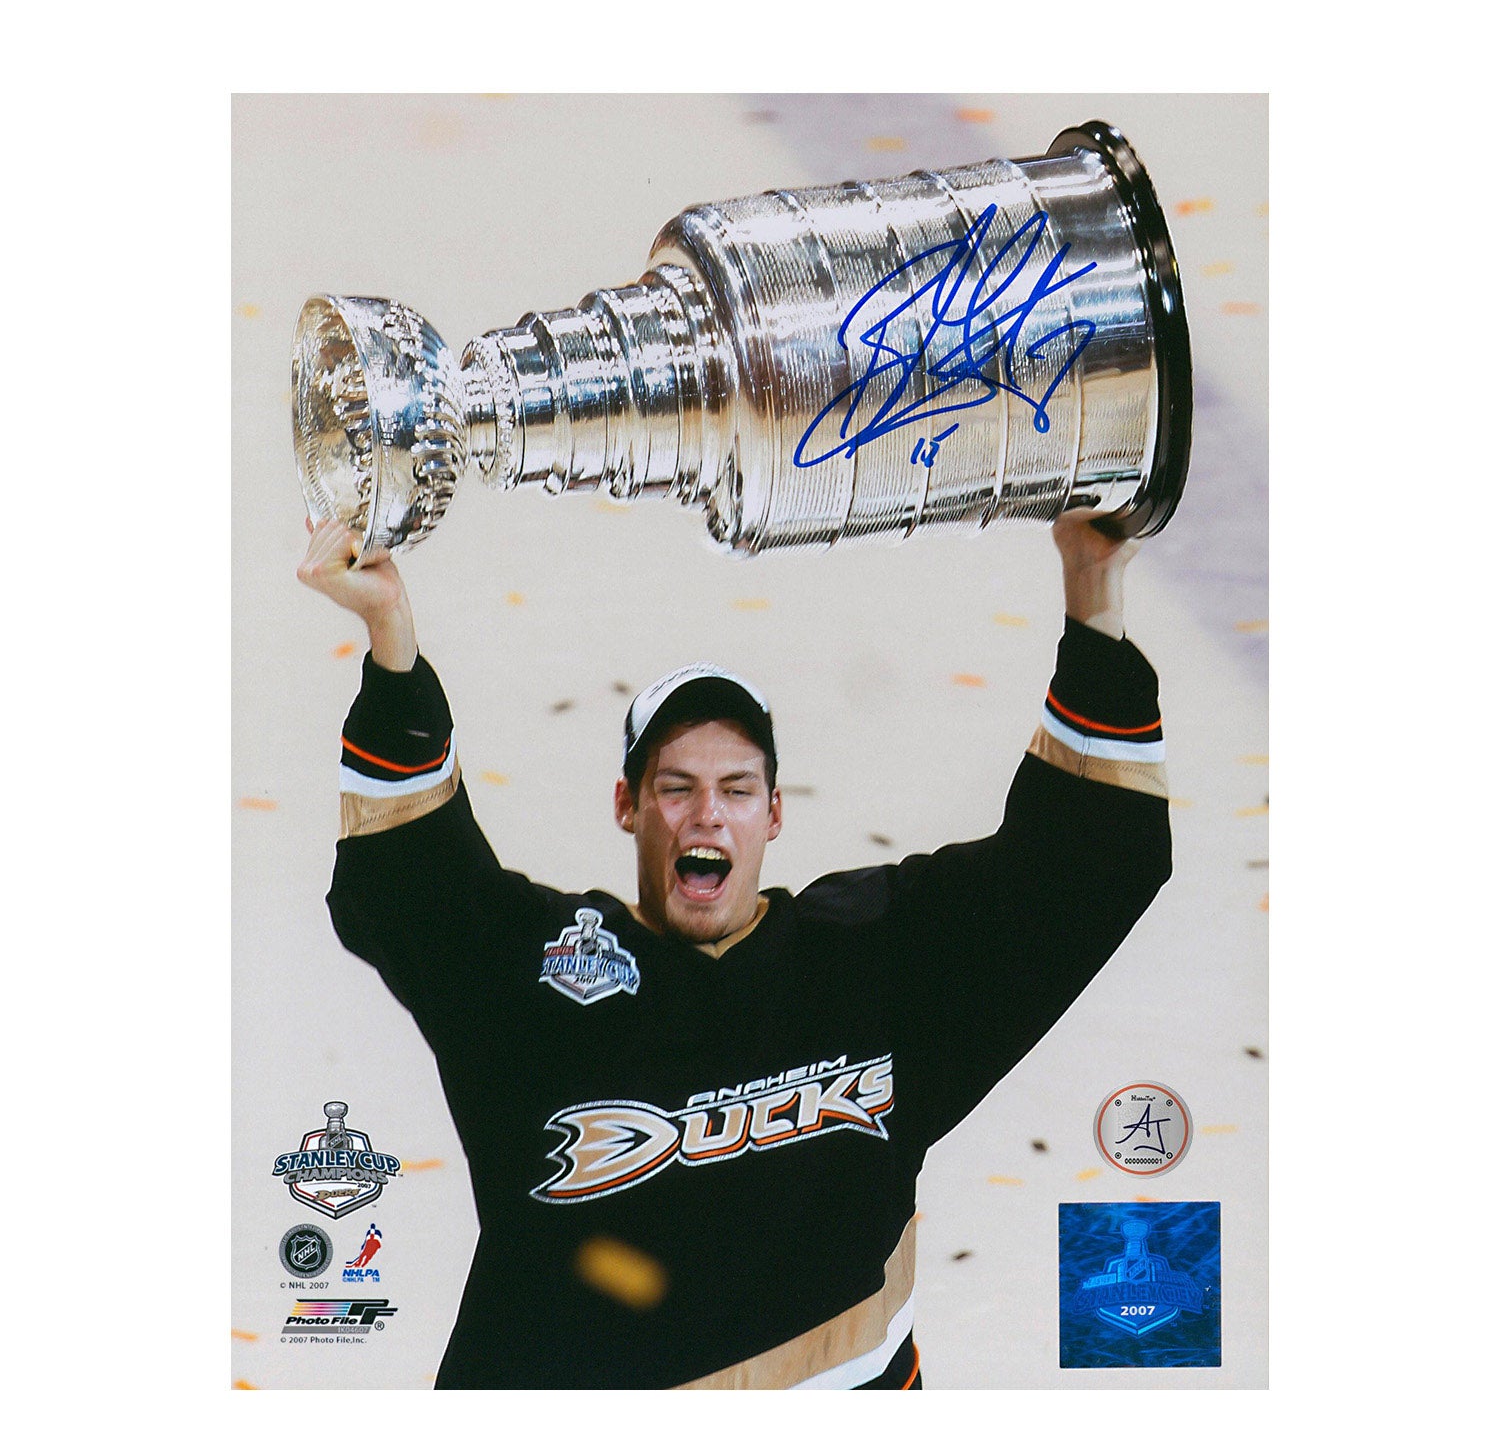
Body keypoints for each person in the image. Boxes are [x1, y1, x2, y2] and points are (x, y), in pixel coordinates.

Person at [297, 509, 1171, 1389]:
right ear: (627, 807)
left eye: (737, 789)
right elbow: (413, 885)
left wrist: (1092, 588)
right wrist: (391, 636)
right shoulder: (541, 978)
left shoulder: (870, 960)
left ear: (774, 814)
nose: (707, 814)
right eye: (675, 788)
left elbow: (1077, 868)